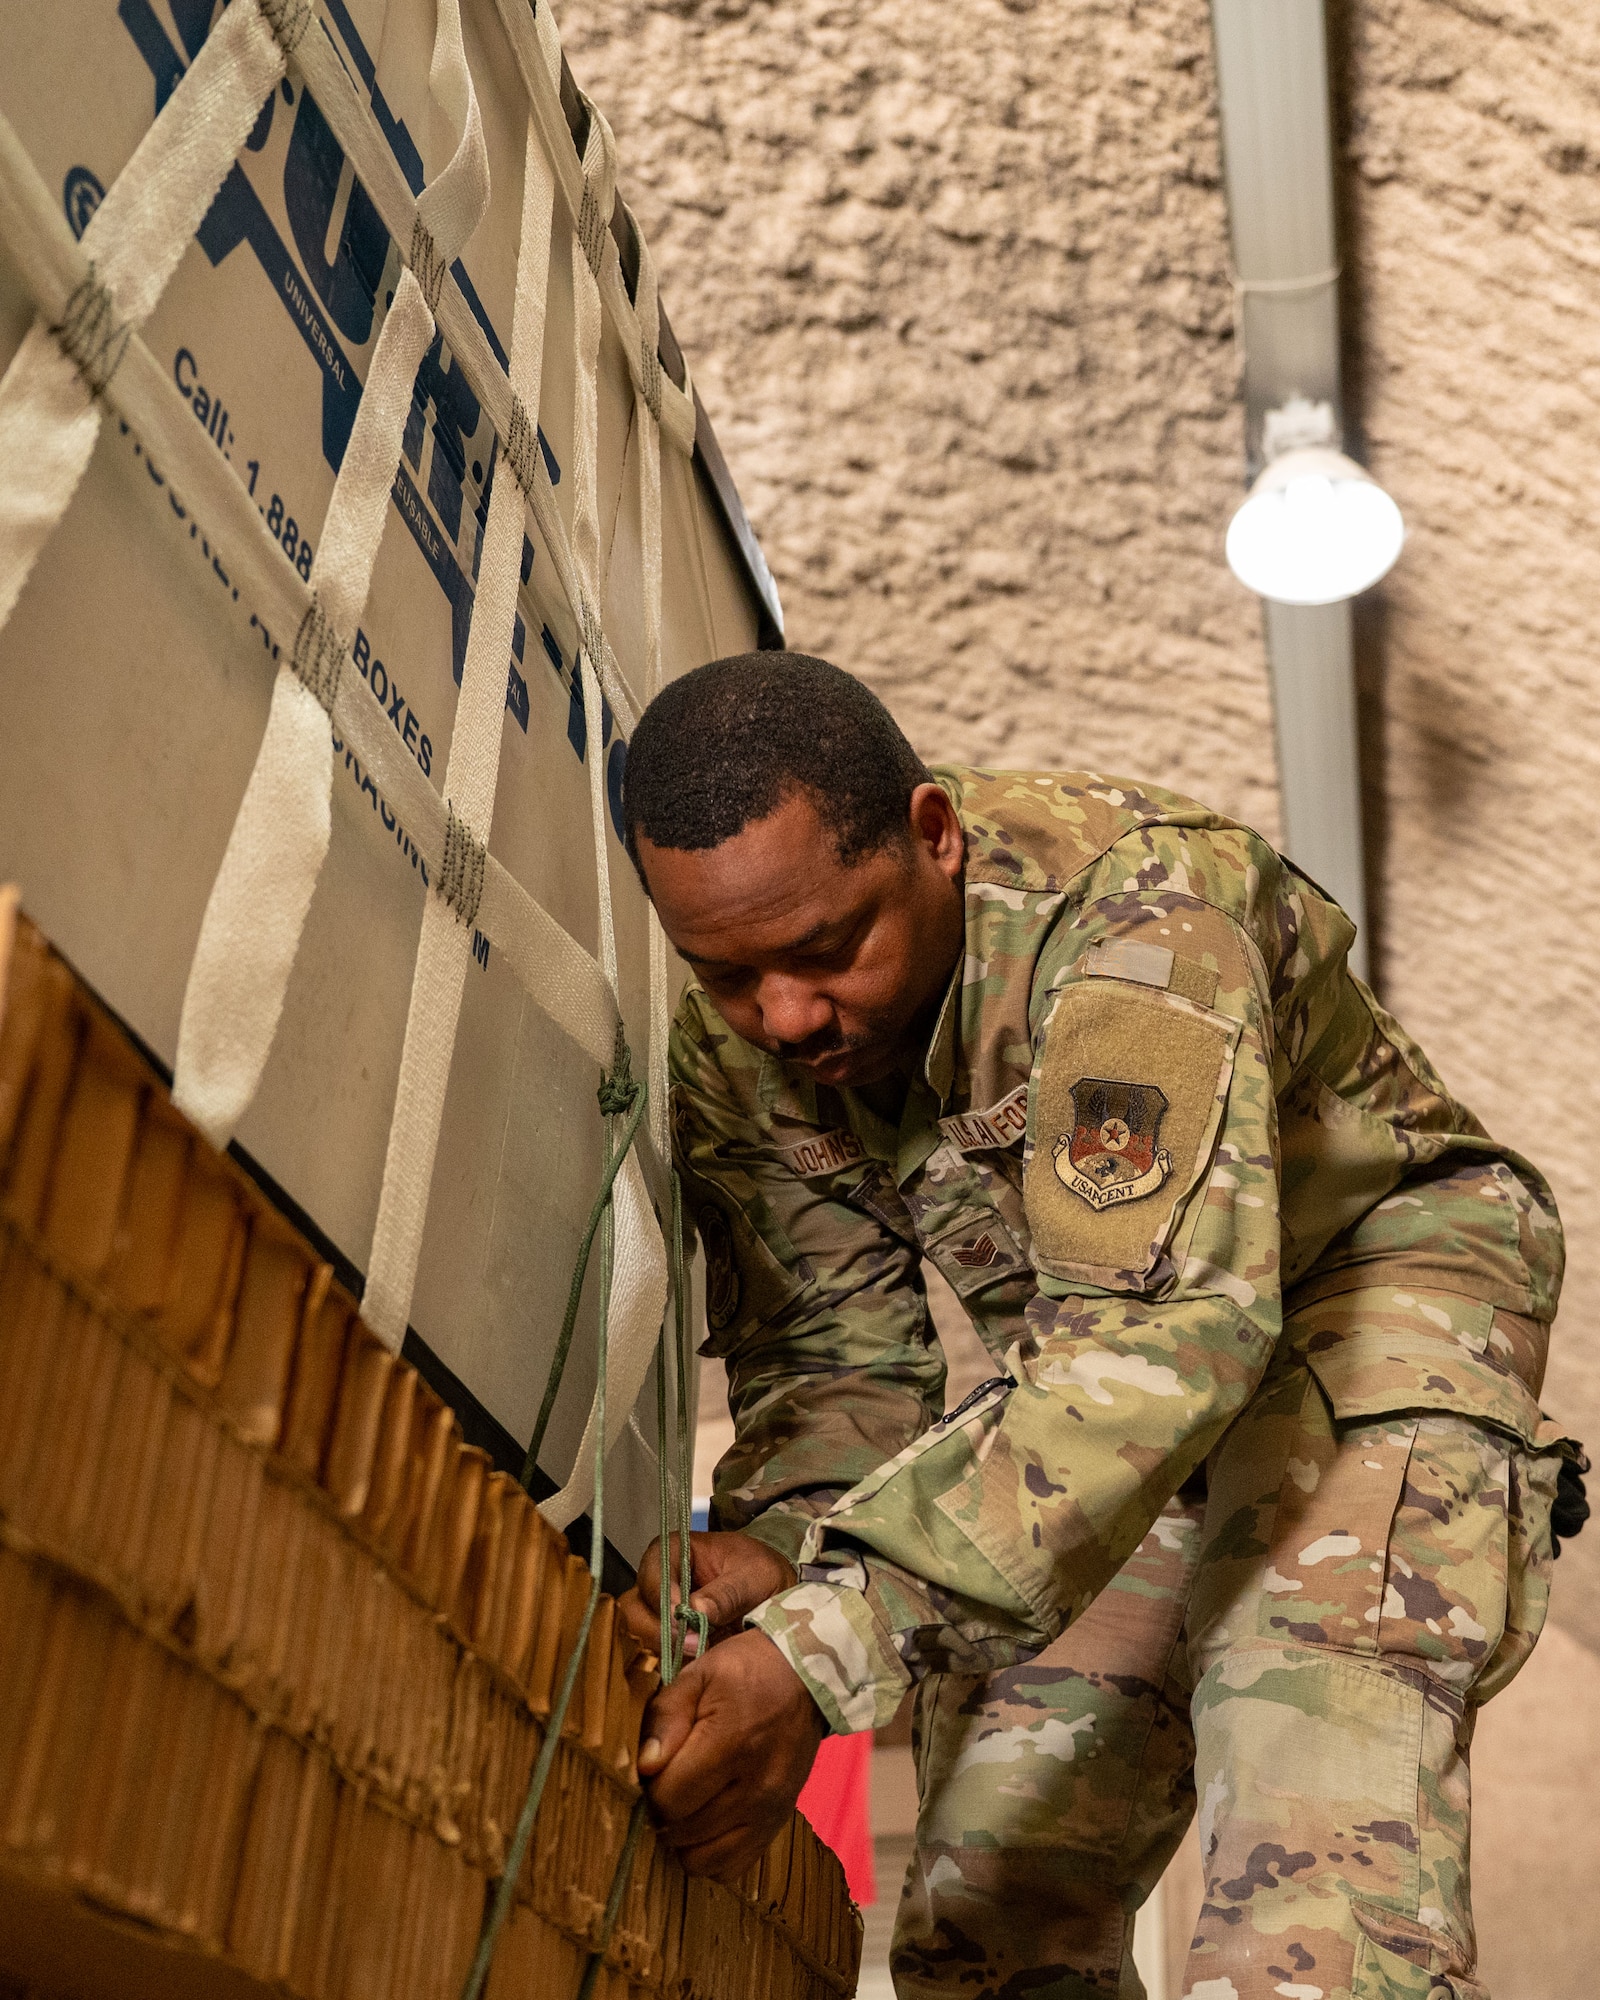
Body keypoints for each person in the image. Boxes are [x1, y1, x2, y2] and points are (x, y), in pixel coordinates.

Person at [615, 651, 1586, 2000]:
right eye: (726, 973)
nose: (784, 1015)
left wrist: (827, 1651)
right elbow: (832, 1362)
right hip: (1105, 1390)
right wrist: (784, 1548)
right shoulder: (737, 1056)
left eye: (829, 950)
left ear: (934, 836)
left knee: (1309, 1914)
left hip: (1367, 1309)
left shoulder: (1142, 920)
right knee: (982, 1928)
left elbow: (1168, 1338)